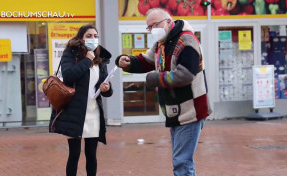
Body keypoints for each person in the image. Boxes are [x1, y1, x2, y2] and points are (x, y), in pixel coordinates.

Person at [115, 8, 212, 176]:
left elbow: (185, 74)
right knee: (182, 161)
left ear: (169, 22)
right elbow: (146, 60)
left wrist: (157, 79)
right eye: (149, 27)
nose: (153, 30)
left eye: (156, 25)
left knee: (182, 162)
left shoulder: (187, 40)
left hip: (191, 110)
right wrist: (128, 63)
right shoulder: (162, 43)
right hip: (175, 112)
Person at [49, 24, 113, 176]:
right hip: (75, 112)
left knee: (91, 155)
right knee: (74, 154)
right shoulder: (71, 54)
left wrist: (107, 88)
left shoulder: (101, 57)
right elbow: (69, 75)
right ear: (80, 38)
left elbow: (107, 91)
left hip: (93, 113)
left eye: (95, 36)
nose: (93, 39)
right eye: (89, 36)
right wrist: (87, 60)